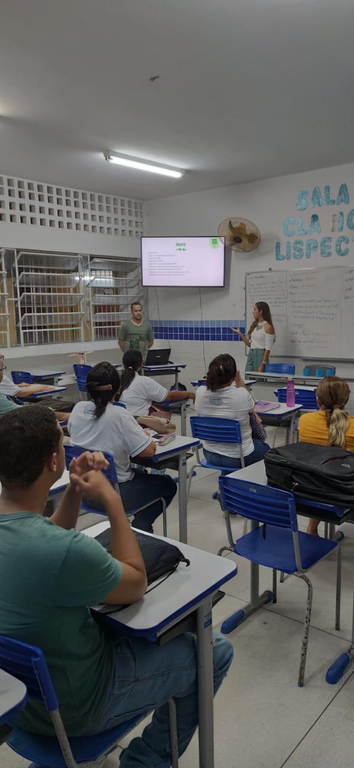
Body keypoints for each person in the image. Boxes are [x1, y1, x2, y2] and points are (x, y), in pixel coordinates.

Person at [0, 406, 233, 766]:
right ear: (52, 461)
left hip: (18, 704)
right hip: (78, 707)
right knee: (215, 651)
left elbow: (44, 533)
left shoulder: (25, 532)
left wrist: (75, 490)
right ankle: (144, 761)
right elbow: (135, 582)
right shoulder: (66, 553)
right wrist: (112, 500)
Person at [68, 362, 177, 531]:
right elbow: (148, 451)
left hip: (83, 491)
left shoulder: (77, 409)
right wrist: (143, 436)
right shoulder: (119, 414)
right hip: (114, 495)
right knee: (168, 484)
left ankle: (134, 529)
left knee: (140, 474)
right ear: (118, 389)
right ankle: (141, 528)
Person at [298, 375, 354, 535]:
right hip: (344, 491)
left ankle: (312, 528)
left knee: (321, 472)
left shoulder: (304, 421)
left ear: (317, 400)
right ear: (346, 399)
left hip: (310, 487)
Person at [195, 353, 270, 468]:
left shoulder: (200, 392)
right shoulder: (241, 395)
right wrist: (239, 380)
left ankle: (226, 482)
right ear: (233, 375)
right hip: (239, 457)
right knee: (267, 450)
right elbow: (251, 406)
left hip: (209, 454)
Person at [118, 348, 195, 418]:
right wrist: (188, 394)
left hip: (119, 423)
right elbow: (170, 396)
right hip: (138, 425)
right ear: (141, 364)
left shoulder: (117, 379)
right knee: (165, 415)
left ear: (124, 364)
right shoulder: (144, 381)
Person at [0, 354, 70, 419]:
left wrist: (17, 385)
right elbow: (20, 397)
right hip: (16, 422)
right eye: (2, 368)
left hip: (15, 415)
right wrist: (42, 388)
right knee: (63, 406)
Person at [231, 301, 275, 372]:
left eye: (255, 309)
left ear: (260, 312)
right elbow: (251, 345)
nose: (253, 312)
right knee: (248, 376)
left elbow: (267, 349)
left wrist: (263, 364)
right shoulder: (255, 325)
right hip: (251, 354)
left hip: (261, 356)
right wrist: (240, 334)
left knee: (259, 380)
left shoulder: (268, 327)